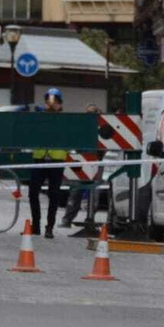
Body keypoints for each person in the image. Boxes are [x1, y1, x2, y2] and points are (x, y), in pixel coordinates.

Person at [26, 88, 68, 238]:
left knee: (54, 195)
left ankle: (49, 227)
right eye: (49, 101)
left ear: (60, 104)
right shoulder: (40, 118)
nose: (51, 104)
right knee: (32, 193)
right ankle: (36, 225)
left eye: (55, 101)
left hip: (57, 159)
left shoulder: (65, 120)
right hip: (40, 157)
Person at [62, 104, 102, 228]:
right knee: (75, 192)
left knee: (94, 193)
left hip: (96, 163)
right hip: (81, 162)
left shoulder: (101, 128)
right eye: (88, 112)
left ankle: (90, 219)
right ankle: (67, 219)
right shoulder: (80, 128)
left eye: (92, 112)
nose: (90, 115)